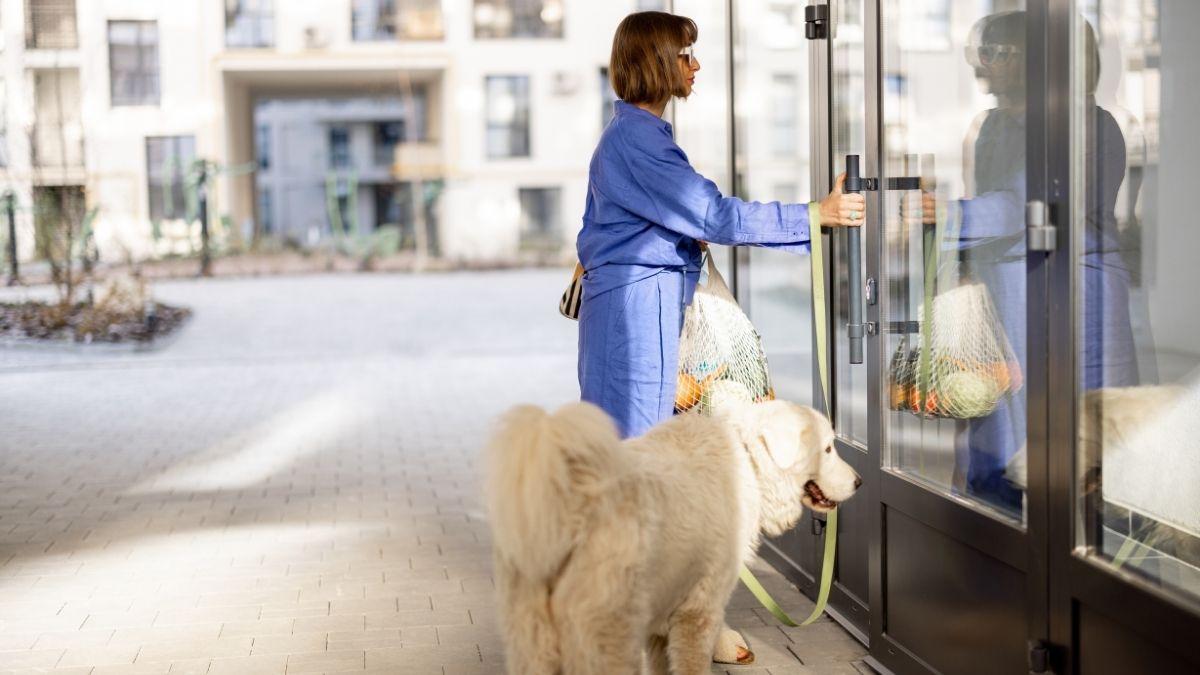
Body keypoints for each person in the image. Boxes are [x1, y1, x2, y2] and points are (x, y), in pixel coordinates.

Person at [578, 11, 864, 439]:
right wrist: (815, 214)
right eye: (685, 55)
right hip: (634, 314)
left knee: (633, 457)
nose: (695, 66)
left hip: (632, 307)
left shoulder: (634, 134)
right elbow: (715, 216)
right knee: (638, 458)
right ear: (656, 60)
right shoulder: (636, 140)